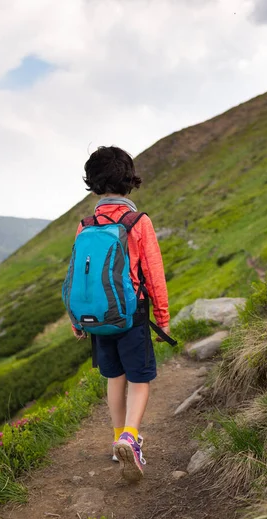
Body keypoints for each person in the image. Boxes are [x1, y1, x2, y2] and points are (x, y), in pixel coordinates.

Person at [72, 146, 170, 482]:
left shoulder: (87, 224)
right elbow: (154, 273)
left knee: (115, 378)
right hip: (133, 314)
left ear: (93, 183)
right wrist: (163, 314)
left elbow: (80, 278)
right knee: (139, 380)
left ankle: (117, 442)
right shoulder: (138, 222)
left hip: (98, 318)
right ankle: (131, 436)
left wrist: (76, 320)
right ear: (129, 180)